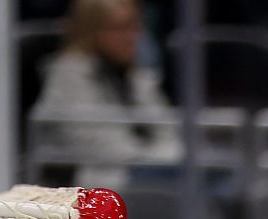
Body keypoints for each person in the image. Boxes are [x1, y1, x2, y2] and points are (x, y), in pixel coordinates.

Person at [31, 0, 179, 189]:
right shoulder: (68, 77)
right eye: (121, 28)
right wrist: (163, 159)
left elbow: (167, 130)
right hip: (93, 186)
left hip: (145, 173)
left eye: (135, 26)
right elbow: (106, 149)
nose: (132, 36)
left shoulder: (134, 75)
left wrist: (168, 159)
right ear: (92, 31)